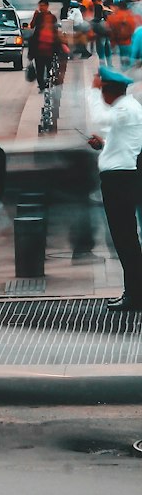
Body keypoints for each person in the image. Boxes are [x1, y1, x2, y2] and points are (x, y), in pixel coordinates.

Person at [87, 65, 142, 313]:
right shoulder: (128, 109)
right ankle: (134, 292)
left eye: (102, 92)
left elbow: (100, 117)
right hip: (120, 177)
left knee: (125, 240)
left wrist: (91, 91)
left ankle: (135, 295)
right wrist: (105, 143)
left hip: (121, 181)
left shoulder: (124, 109)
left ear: (110, 92)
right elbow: (126, 141)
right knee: (126, 239)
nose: (101, 98)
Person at [27, 0, 62, 92]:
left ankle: (47, 84)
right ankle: (42, 86)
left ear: (47, 6)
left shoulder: (52, 17)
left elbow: (55, 32)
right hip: (39, 48)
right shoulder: (38, 16)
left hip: (50, 47)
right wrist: (34, 16)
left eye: (42, 5)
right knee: (39, 69)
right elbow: (32, 26)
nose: (41, 7)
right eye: (40, 5)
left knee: (49, 68)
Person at [106, 0, 137, 68]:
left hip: (122, 41)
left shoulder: (114, 17)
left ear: (117, 7)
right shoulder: (132, 15)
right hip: (132, 40)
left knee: (124, 60)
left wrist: (112, 42)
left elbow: (109, 30)